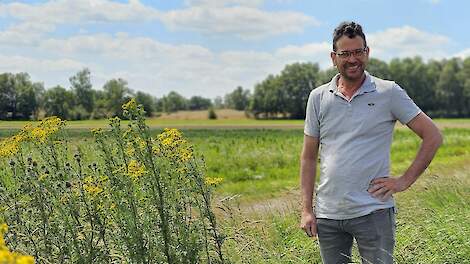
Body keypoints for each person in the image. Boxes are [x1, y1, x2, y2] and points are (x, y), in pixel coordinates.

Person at [299, 21, 443, 264]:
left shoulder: (388, 92)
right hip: (328, 215)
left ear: (367, 52)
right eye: (345, 53)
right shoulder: (318, 97)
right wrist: (306, 209)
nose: (352, 59)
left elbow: (433, 136)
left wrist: (404, 181)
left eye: (358, 51)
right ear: (334, 57)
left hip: (373, 212)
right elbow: (309, 156)